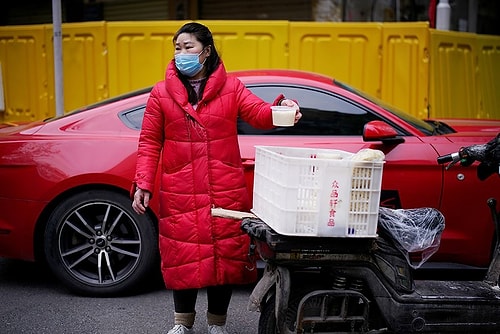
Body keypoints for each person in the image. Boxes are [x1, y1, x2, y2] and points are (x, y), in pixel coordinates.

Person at [131, 22, 301, 334]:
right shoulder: (161, 93)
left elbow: (259, 114)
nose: (181, 53)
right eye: (178, 48)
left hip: (223, 187)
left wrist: (282, 107)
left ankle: (217, 324)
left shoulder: (231, 88)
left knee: (223, 257)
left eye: (189, 47)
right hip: (180, 188)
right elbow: (150, 141)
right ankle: (182, 323)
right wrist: (143, 182)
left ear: (206, 51)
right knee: (183, 254)